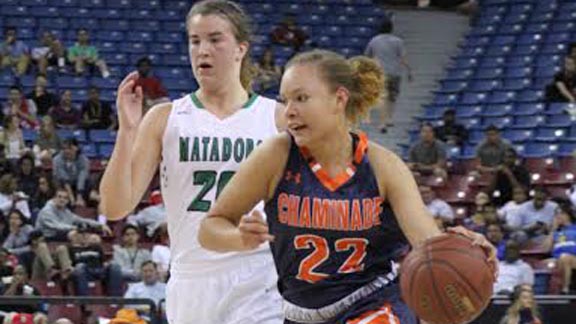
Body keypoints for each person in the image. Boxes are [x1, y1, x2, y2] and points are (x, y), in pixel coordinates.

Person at [199, 49, 496, 324]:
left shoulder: (384, 166)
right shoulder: (275, 155)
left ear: (339, 99)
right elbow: (210, 227)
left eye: (301, 98)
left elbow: (427, 245)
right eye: (285, 99)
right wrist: (238, 238)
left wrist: (458, 249)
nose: (288, 111)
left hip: (374, 302)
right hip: (298, 312)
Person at [99, 1, 286, 323]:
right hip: (191, 277)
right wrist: (127, 130)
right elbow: (115, 207)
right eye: (195, 40)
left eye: (215, 40)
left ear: (241, 48)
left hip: (259, 274)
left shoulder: (277, 117)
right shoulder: (166, 117)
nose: (203, 50)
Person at [364, 19, 412, 133]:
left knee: (383, 97)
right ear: (391, 29)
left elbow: (367, 56)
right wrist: (409, 71)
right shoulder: (398, 41)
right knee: (392, 97)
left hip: (381, 73)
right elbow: (403, 58)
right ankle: (388, 119)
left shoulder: (374, 41)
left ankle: (383, 122)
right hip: (395, 73)